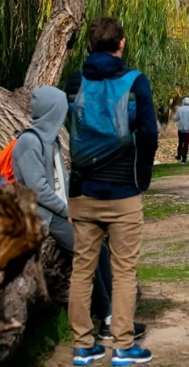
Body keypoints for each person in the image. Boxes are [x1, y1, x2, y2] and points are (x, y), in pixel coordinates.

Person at [13, 87, 147, 352]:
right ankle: (108, 319)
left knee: (103, 248)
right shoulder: (29, 142)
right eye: (61, 108)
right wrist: (68, 212)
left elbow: (62, 183)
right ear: (52, 110)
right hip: (42, 217)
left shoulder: (50, 140)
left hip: (59, 213)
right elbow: (38, 190)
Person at [65, 17, 157, 365]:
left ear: (89, 46)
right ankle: (122, 345)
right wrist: (141, 178)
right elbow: (148, 134)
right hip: (123, 190)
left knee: (82, 269)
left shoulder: (75, 81)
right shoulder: (135, 81)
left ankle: (82, 345)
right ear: (121, 44)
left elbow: (72, 128)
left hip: (83, 190)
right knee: (123, 270)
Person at [174, 97, 189, 164]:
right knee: (186, 144)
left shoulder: (180, 109)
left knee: (180, 142)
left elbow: (176, 118)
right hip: (188, 129)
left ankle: (179, 155)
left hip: (181, 129)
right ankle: (184, 158)